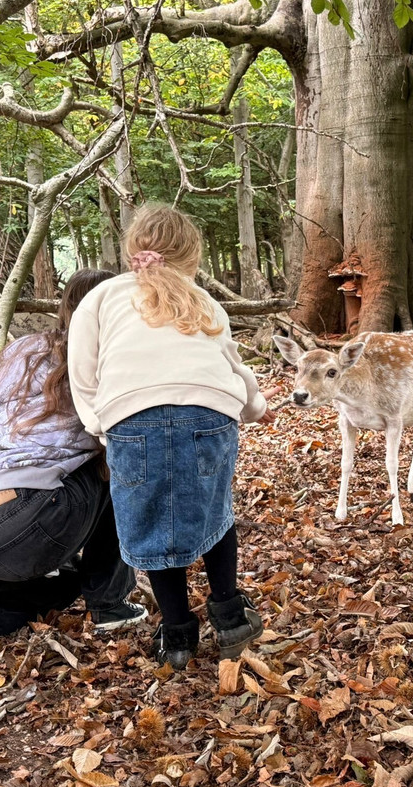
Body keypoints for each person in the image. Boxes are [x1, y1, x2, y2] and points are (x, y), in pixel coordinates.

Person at [68, 204, 278, 670]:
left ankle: (178, 633)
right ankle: (229, 613)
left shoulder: (101, 298)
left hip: (132, 420)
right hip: (210, 413)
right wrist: (255, 408)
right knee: (213, 506)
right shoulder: (203, 301)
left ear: (132, 250)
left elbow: (82, 373)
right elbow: (234, 367)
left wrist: (101, 427)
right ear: (192, 256)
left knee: (151, 522)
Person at [0, 270, 147, 658]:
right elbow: (125, 443)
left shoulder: (26, 348)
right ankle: (111, 605)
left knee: (70, 581)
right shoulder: (104, 360)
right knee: (117, 468)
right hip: (22, 518)